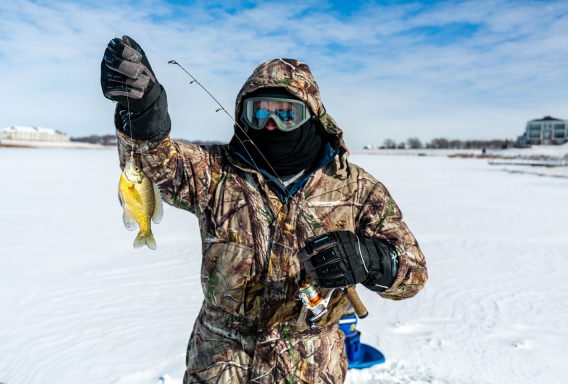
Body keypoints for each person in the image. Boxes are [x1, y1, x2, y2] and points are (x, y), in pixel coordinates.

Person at [101, 35, 428, 384]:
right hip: (218, 364)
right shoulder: (215, 171)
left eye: (287, 114)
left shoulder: (358, 188)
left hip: (311, 368)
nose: (271, 126)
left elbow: (413, 274)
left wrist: (372, 259)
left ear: (312, 116)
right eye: (258, 113)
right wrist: (142, 113)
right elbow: (151, 166)